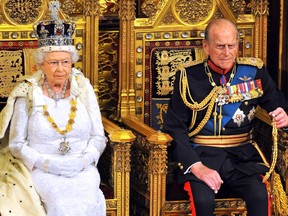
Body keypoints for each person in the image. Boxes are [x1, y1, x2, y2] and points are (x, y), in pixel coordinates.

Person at [163, 18, 288, 216]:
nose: (227, 52)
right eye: (220, 46)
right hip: (202, 156)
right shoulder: (188, 77)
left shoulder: (253, 71)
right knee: (203, 201)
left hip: (242, 157)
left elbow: (277, 103)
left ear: (238, 45)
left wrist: (283, 114)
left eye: (232, 45)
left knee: (260, 196)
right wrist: (195, 166)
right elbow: (174, 128)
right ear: (206, 46)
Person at [0, 1, 106, 216]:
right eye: (53, 62)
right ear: (41, 64)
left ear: (72, 63)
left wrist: (85, 160)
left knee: (87, 200)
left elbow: (98, 136)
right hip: (43, 170)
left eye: (65, 62)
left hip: (82, 169)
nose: (60, 69)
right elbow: (17, 144)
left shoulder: (83, 88)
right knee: (60, 203)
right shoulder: (27, 92)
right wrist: (47, 164)